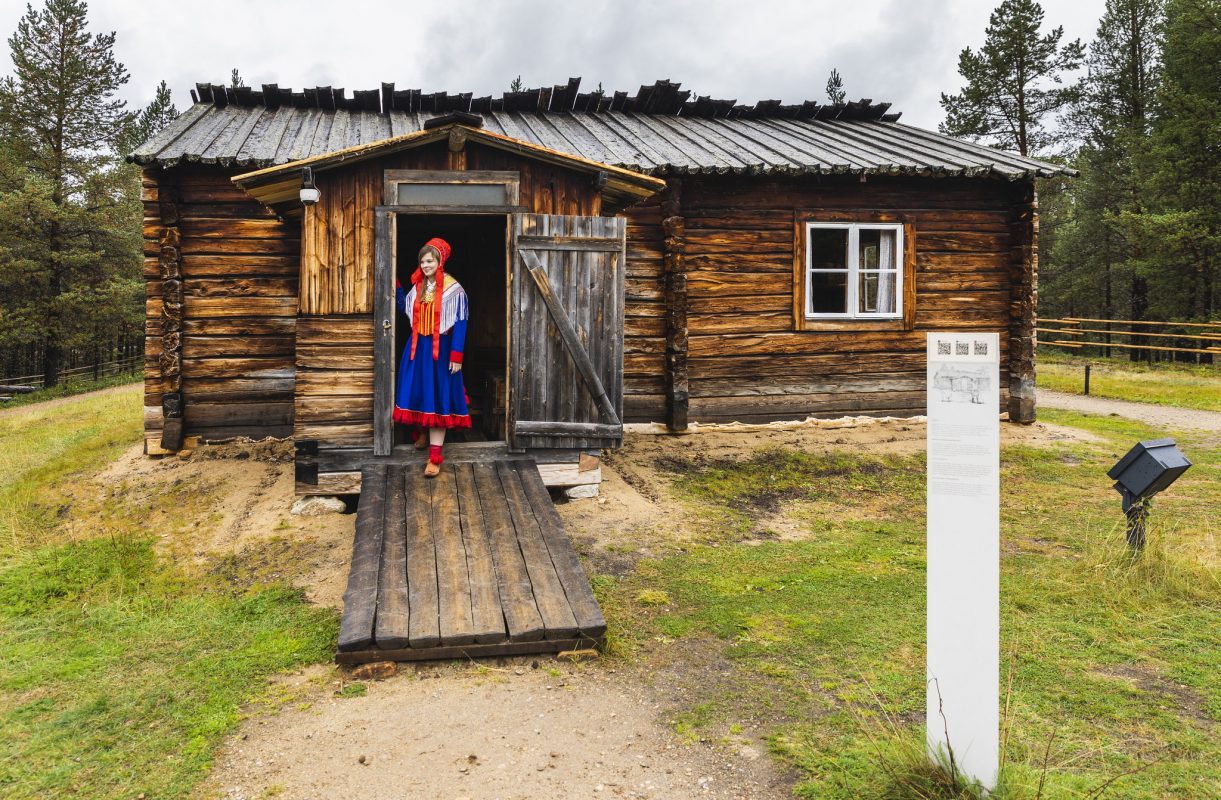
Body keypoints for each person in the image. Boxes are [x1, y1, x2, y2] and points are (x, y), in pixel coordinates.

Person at [393, 237, 470, 477]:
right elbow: (404, 308)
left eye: (429, 261)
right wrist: (394, 285)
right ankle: (423, 433)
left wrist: (456, 355)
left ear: (440, 261)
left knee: (437, 398)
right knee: (416, 392)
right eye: (422, 261)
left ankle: (435, 457)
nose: (425, 265)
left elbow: (461, 321)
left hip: (442, 351)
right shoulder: (417, 287)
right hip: (417, 349)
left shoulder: (453, 289)